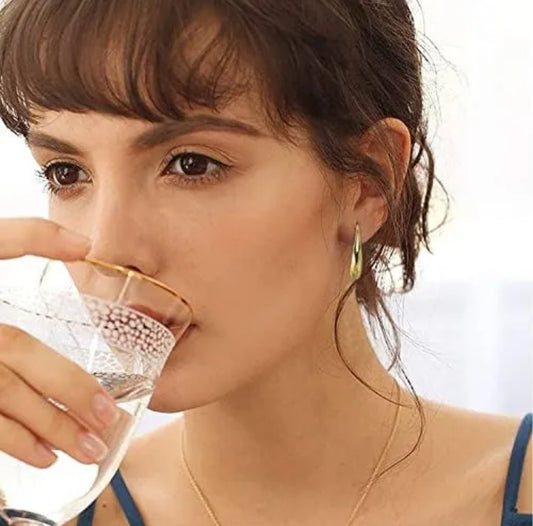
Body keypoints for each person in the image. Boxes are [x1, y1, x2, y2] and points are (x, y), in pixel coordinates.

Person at [0, 1, 530, 525]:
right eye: (66, 173)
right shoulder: (38, 508)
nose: (106, 250)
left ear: (368, 183)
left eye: (192, 164)